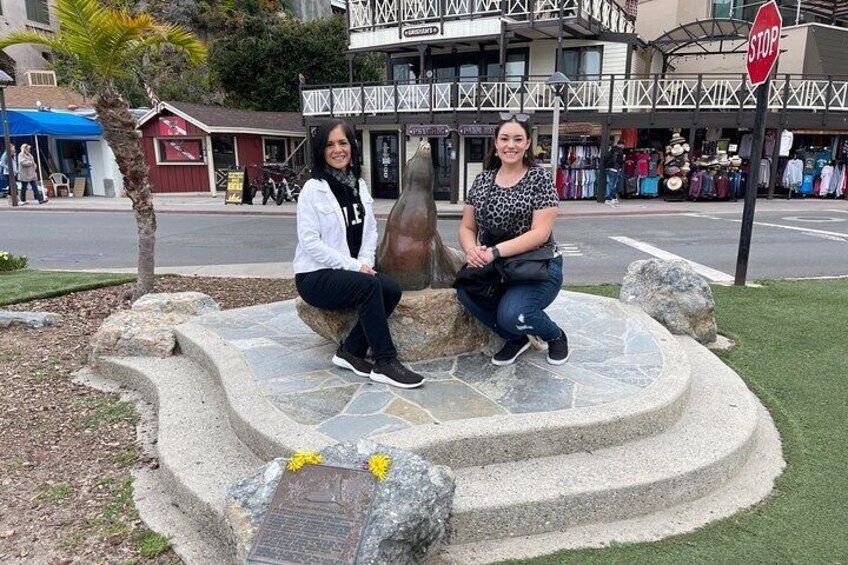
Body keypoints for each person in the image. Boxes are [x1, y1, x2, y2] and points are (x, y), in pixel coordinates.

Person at [293, 119, 424, 389]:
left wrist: (364, 262)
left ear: (352, 146)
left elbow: (370, 230)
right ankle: (385, 362)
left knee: (390, 289)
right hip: (315, 276)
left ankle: (351, 351)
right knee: (368, 286)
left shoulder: (359, 185)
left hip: (350, 271)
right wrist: (355, 268)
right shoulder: (313, 189)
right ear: (320, 150)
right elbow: (310, 243)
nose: (337, 150)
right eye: (329, 144)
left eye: (343, 143)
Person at [457, 112, 569, 366]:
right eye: (505, 138)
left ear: (527, 143)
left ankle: (554, 335)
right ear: (496, 143)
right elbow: (467, 226)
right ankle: (516, 338)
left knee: (513, 313)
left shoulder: (540, 179)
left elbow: (540, 234)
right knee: (466, 291)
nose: (511, 145)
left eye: (518, 139)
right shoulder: (482, 180)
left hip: (536, 266)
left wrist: (494, 251)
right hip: (497, 266)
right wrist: (471, 250)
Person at [603, 139, 625, 205]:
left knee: (611, 183)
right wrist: (620, 167)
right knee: (612, 184)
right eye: (623, 145)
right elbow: (620, 161)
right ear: (621, 145)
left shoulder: (611, 149)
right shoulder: (620, 151)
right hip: (614, 169)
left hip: (608, 168)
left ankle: (614, 198)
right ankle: (608, 198)